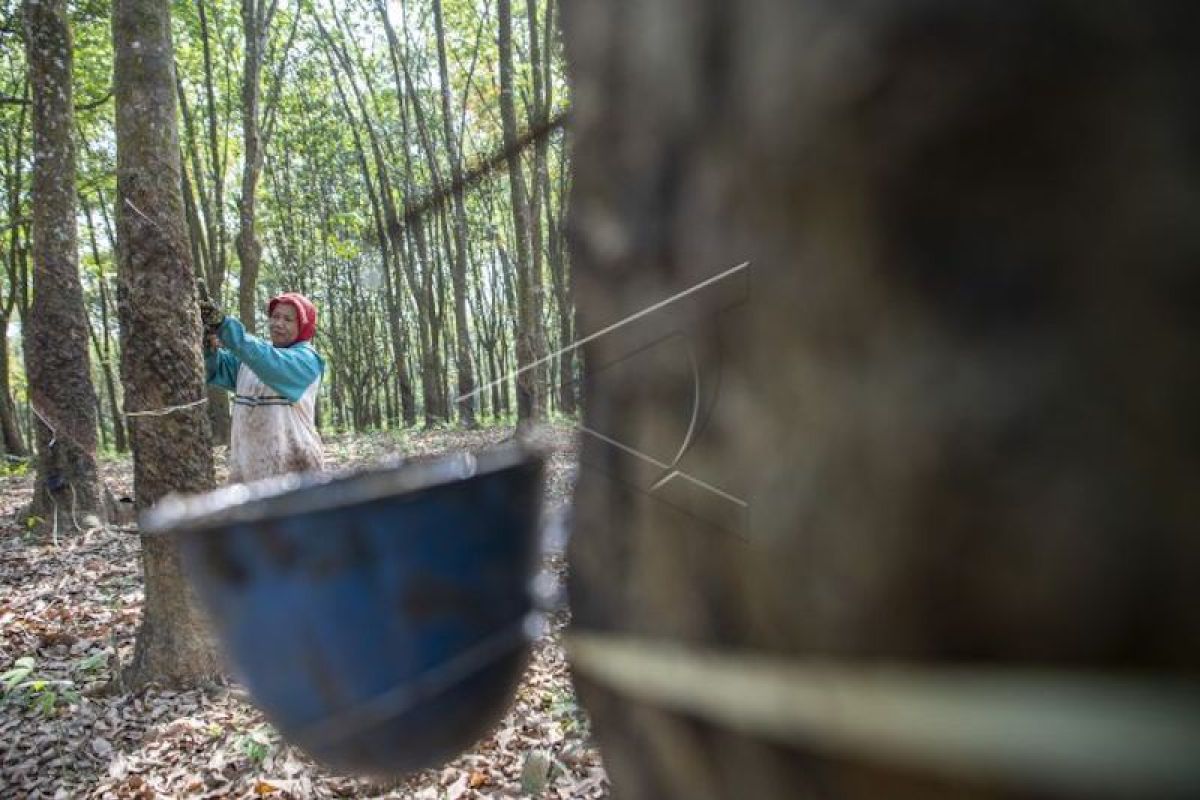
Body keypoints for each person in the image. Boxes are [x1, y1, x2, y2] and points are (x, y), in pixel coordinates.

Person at [200, 292, 324, 484]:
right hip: (249, 471)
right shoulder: (253, 357)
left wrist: (225, 326)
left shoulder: (307, 360)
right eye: (275, 317)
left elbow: (269, 362)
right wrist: (208, 347)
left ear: (302, 326)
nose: (278, 323)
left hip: (295, 470)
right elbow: (216, 370)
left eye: (288, 319)